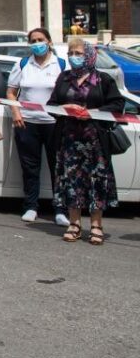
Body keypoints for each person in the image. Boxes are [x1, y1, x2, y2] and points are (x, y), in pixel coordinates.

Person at [50, 39, 124, 246]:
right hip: (69, 141)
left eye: (78, 53)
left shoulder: (103, 79)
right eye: (71, 53)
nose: (74, 57)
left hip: (95, 141)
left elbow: (118, 104)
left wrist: (93, 113)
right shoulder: (64, 78)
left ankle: (96, 225)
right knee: (72, 182)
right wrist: (67, 107)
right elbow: (51, 104)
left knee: (96, 182)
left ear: (90, 55)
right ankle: (74, 224)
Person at [6, 28, 69, 226]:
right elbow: (11, 93)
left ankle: (60, 209)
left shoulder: (61, 64)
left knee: (57, 167)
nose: (37, 43)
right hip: (27, 122)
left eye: (40, 40)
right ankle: (31, 206)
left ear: (49, 42)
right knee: (30, 168)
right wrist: (16, 113)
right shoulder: (23, 64)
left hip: (54, 124)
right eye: (33, 40)